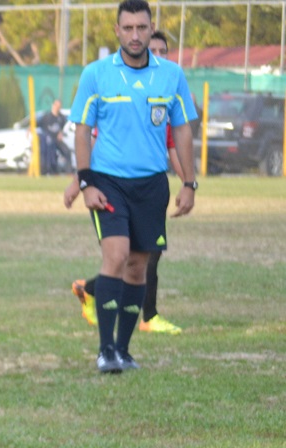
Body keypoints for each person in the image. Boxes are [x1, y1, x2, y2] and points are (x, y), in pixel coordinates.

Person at [66, 0, 196, 374]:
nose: (135, 35)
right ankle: (105, 350)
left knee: (138, 268)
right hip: (108, 182)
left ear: (151, 27)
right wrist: (86, 182)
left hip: (152, 185)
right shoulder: (96, 74)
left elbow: (183, 130)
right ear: (117, 31)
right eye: (128, 28)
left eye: (141, 28)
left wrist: (189, 183)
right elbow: (80, 130)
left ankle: (123, 350)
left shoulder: (171, 76)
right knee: (116, 256)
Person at [37, 98, 69, 174]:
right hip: (48, 141)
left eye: (59, 106)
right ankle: (47, 170)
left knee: (67, 151)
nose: (57, 107)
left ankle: (68, 171)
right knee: (48, 151)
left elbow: (64, 128)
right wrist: (30, 129)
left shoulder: (61, 117)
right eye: (56, 105)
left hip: (57, 140)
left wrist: (61, 133)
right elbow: (36, 124)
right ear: (53, 105)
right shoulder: (46, 117)